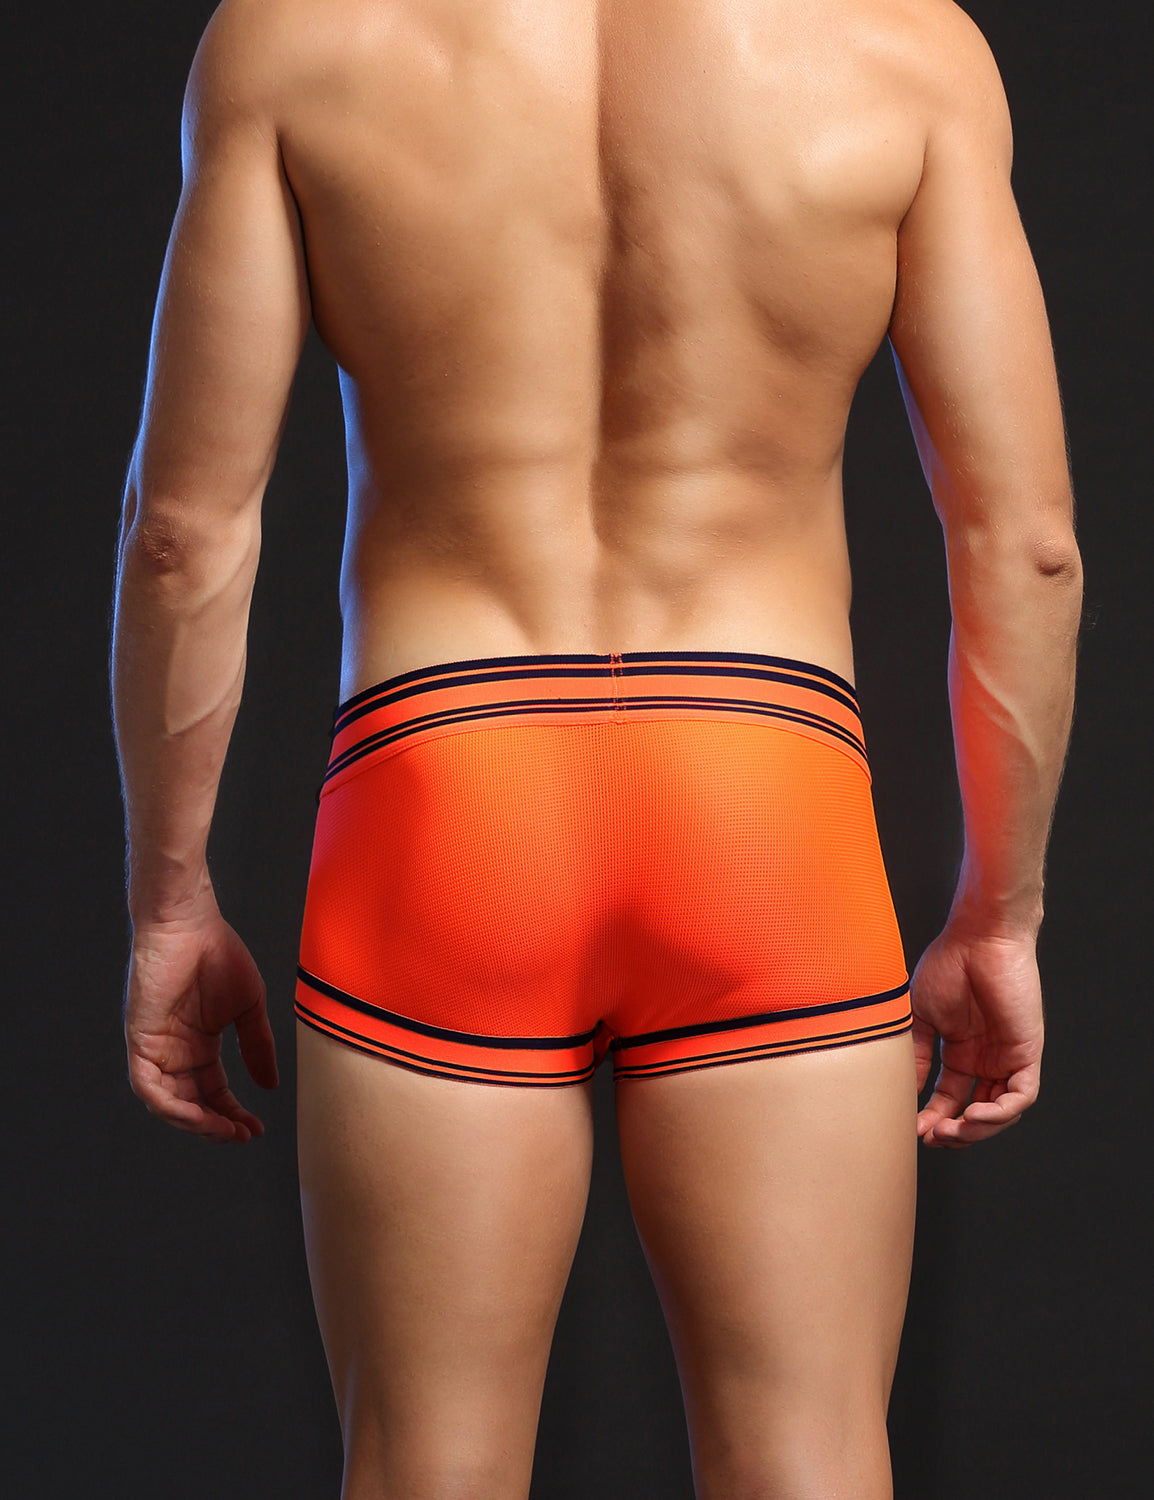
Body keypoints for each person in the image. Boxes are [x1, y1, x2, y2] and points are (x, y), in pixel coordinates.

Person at [110, 1, 1083, 1495]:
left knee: (424, 1465)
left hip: (445, 782)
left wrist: (169, 899)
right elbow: (1022, 547)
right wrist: (998, 912)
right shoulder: (902, 46)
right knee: (812, 1459)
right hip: (762, 787)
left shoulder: (296, 37)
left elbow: (184, 535)